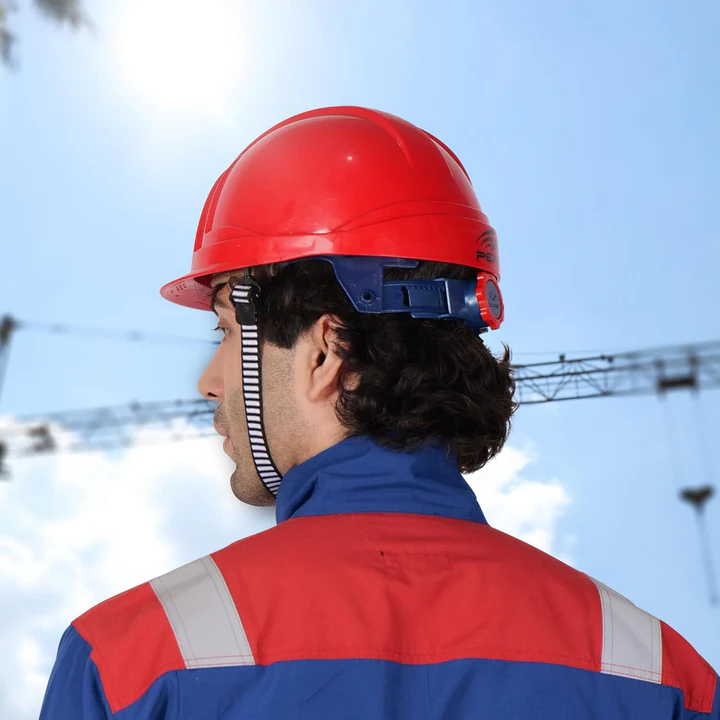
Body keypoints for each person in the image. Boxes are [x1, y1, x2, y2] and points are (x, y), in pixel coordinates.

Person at [40, 106, 718, 719]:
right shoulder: (662, 675)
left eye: (225, 330)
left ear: (324, 352)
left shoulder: (129, 663)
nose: (207, 382)